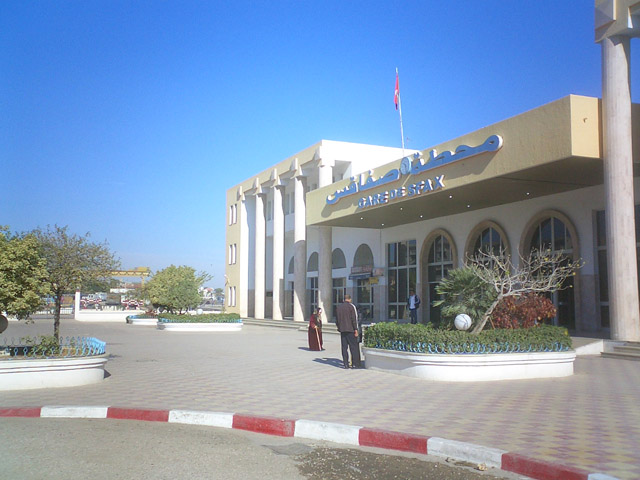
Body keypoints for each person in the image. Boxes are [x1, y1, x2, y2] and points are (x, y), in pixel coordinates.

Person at [335, 294, 362, 369]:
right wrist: (356, 329)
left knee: (344, 348)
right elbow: (354, 319)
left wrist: (339, 327)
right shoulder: (351, 307)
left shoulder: (339, 307)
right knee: (353, 347)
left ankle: (345, 364)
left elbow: (337, 320)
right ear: (349, 299)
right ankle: (355, 364)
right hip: (351, 330)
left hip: (343, 330)